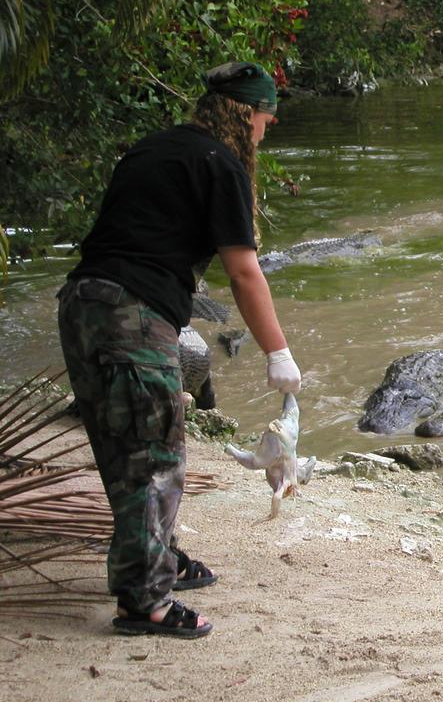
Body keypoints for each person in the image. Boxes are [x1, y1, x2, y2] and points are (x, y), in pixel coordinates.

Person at [56, 62, 301, 639]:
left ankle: (156, 560)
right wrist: (277, 352)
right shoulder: (221, 164)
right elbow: (244, 271)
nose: (267, 131)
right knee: (156, 457)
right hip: (132, 315)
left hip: (80, 304)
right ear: (246, 114)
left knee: (126, 450)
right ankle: (145, 603)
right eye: (267, 119)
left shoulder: (151, 150)